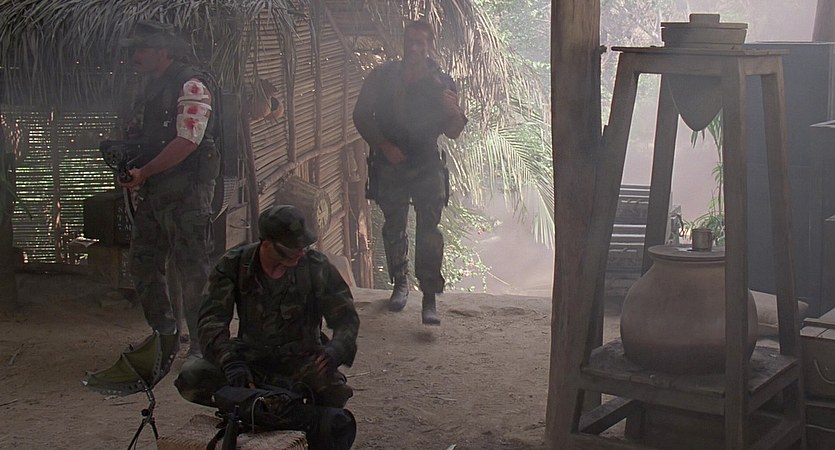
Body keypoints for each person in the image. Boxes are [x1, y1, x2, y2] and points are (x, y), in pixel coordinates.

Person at [175, 204, 359, 410]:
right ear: (268, 244)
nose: (300, 252)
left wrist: (336, 350)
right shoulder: (234, 265)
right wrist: (230, 361)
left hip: (302, 359)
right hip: (251, 357)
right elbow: (211, 321)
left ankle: (274, 403)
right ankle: (255, 404)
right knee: (192, 377)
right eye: (293, 247)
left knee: (334, 392)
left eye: (303, 246)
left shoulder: (316, 267)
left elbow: (346, 318)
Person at [352, 20, 467, 325]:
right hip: (390, 162)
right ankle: (399, 284)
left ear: (429, 47)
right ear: (403, 43)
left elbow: (454, 131)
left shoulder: (442, 83)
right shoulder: (382, 77)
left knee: (429, 230)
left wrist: (453, 110)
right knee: (394, 226)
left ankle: (429, 298)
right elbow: (361, 115)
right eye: (410, 41)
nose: (414, 48)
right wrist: (384, 145)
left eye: (420, 43)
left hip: (427, 162)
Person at [118, 21, 219, 356]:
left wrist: (144, 171)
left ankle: (202, 347)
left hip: (188, 190)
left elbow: (188, 141)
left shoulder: (191, 85)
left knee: (193, 271)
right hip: (156, 187)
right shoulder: (151, 87)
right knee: (143, 261)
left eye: (142, 49)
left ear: (163, 51)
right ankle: (165, 336)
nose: (136, 55)